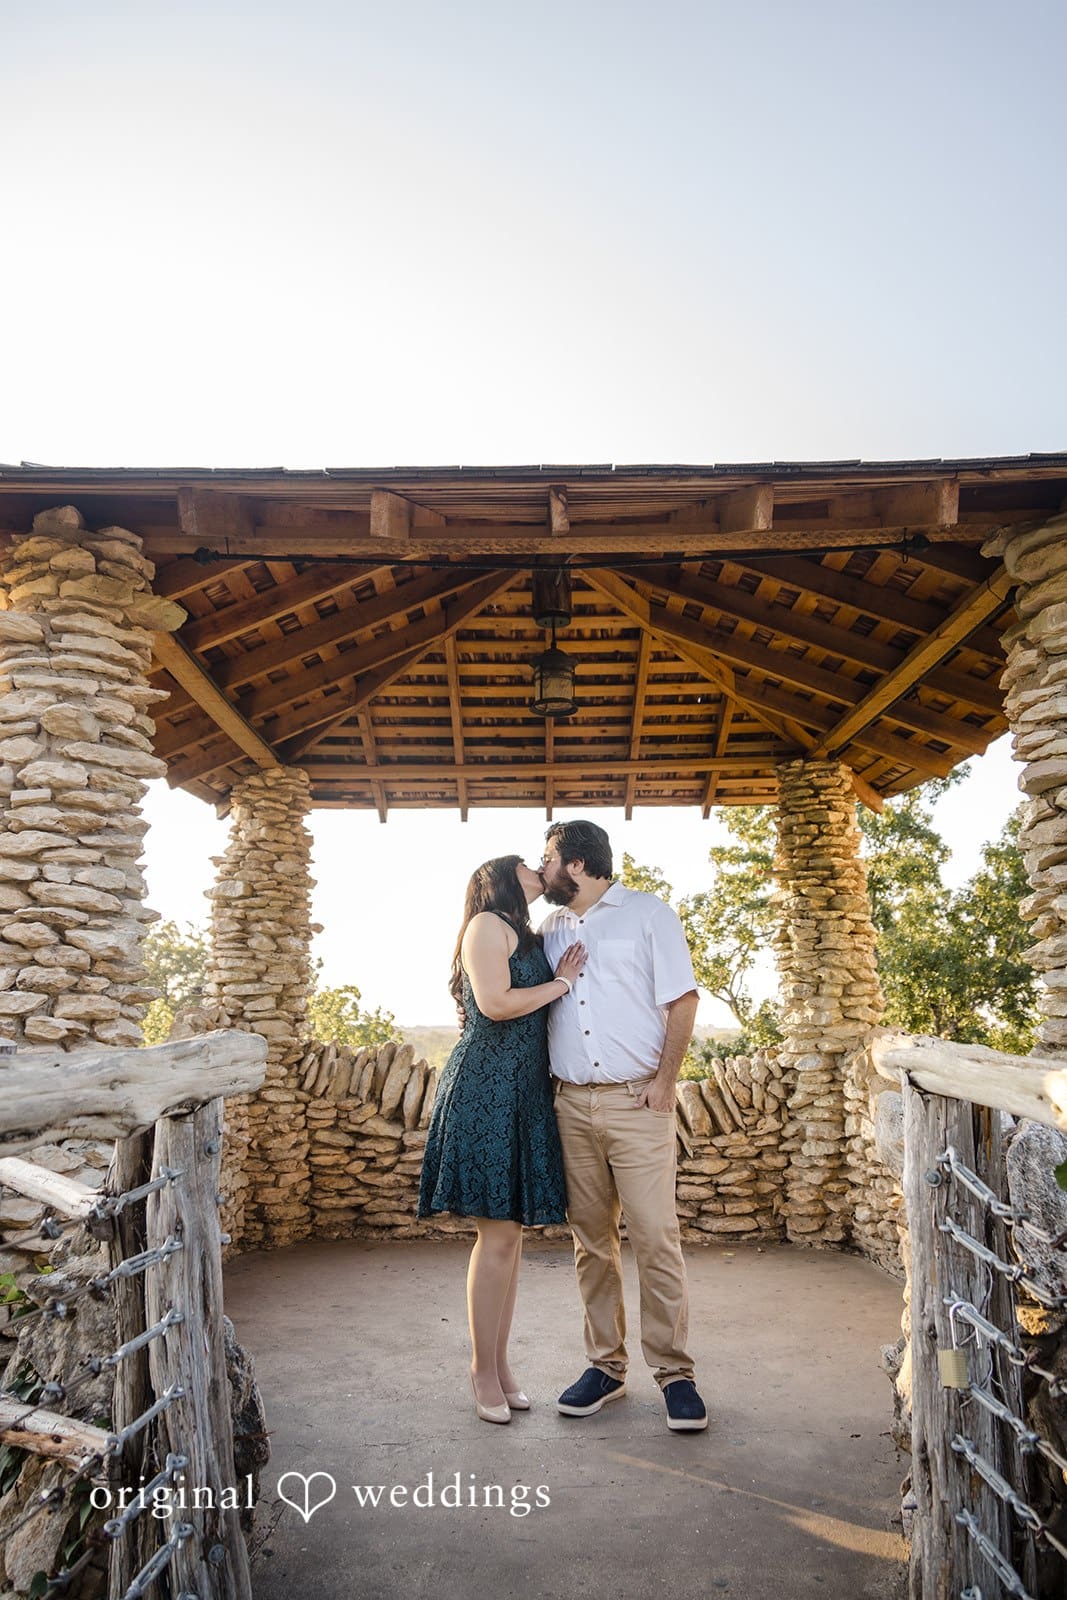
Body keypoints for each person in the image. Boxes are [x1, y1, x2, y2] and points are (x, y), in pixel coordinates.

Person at [538, 820, 709, 1433]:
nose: (543, 868)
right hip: (570, 1106)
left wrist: (665, 1082)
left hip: (637, 1103)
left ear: (577, 863)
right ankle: (604, 1368)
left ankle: (674, 1373)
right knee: (590, 1243)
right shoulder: (548, 927)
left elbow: (682, 1000)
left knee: (657, 1238)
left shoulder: (647, 914)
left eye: (549, 857)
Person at [417, 854, 586, 1425]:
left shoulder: (526, 931)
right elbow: (495, 1004)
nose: (540, 868)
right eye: (529, 864)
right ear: (502, 876)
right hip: (486, 1088)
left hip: (523, 1091)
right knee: (496, 1238)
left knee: (510, 1241)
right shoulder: (486, 925)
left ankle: (501, 1365)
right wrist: (563, 982)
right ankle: (480, 1370)